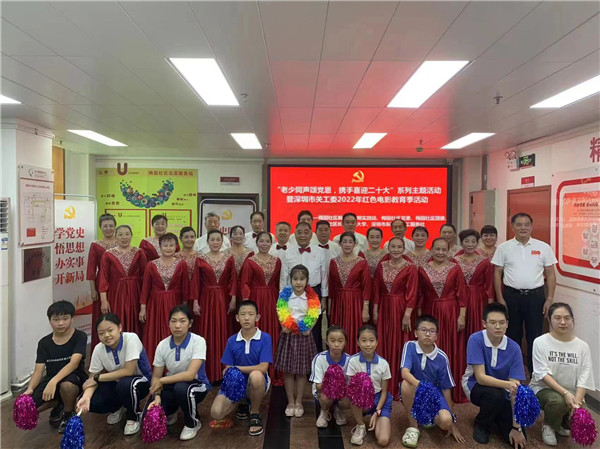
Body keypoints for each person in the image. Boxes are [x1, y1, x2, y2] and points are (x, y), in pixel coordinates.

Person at [492, 212, 557, 373]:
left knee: (535, 336)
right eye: (519, 224)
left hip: (536, 297)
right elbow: (497, 273)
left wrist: (549, 298)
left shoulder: (543, 247)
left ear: (531, 226)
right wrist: (500, 298)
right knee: (512, 335)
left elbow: (550, 274)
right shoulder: (504, 248)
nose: (523, 228)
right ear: (512, 227)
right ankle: (512, 372)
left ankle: (536, 374)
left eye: (527, 224)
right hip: (511, 296)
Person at [462, 303, 527, 448]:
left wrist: (516, 428)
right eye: (492, 323)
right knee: (495, 395)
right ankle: (481, 424)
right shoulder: (476, 339)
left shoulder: (514, 348)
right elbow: (480, 378)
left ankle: (495, 416)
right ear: (484, 323)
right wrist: (508, 385)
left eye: (502, 323)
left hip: (504, 391)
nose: (498, 327)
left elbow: (515, 389)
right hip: (474, 385)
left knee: (517, 442)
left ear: (507, 324)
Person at [530, 303, 595, 446]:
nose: (563, 322)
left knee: (583, 415)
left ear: (573, 320)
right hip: (544, 389)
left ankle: (560, 420)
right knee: (558, 401)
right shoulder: (540, 342)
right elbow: (542, 374)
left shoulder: (582, 346)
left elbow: (584, 376)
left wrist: (577, 402)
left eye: (567, 318)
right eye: (557, 318)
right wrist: (565, 393)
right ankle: (549, 425)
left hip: (571, 393)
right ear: (549, 319)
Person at [76, 314, 152, 436]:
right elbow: (92, 378)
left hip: (141, 382)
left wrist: (98, 378)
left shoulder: (131, 338)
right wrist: (86, 397)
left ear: (119, 328)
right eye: (101, 333)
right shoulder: (99, 349)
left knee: (125, 384)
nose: (106, 335)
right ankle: (117, 408)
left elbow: (128, 371)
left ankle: (133, 416)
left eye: (110, 330)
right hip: (118, 383)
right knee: (92, 400)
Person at [400, 315, 465, 448]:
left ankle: (428, 415)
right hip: (415, 388)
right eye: (423, 330)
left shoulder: (442, 357)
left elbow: (446, 388)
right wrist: (422, 386)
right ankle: (413, 427)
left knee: (446, 421)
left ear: (436, 336)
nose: (427, 334)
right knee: (405, 384)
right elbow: (404, 372)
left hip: (434, 392)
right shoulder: (409, 346)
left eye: (432, 331)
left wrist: (452, 421)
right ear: (416, 333)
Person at [147, 305, 210, 441]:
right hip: (171, 384)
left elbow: (190, 375)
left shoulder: (198, 341)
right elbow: (156, 376)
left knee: (181, 388)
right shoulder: (162, 345)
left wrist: (162, 381)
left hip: (196, 385)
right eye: (173, 321)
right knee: (149, 418)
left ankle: (192, 423)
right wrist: (156, 396)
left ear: (190, 323)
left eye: (182, 321)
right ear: (169, 323)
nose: (177, 325)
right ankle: (173, 410)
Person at [209, 301, 272, 436]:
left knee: (256, 375)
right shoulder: (232, 340)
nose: (246, 318)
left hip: (257, 381)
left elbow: (263, 368)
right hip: (237, 382)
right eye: (243, 314)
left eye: (250, 314)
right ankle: (241, 401)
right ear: (237, 317)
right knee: (216, 413)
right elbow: (227, 369)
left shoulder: (265, 338)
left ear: (257, 317)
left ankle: (254, 412)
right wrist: (230, 374)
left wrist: (236, 368)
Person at [23, 301, 87, 433]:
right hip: (51, 379)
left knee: (67, 386)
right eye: (56, 319)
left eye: (65, 319)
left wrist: (54, 381)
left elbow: (73, 363)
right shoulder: (44, 343)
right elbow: (38, 371)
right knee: (28, 408)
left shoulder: (79, 336)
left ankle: (68, 414)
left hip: (74, 378)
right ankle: (60, 403)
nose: (60, 323)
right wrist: (30, 389)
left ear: (72, 319)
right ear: (50, 321)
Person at [418, 238, 467, 403]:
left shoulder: (455, 268)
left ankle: (450, 391)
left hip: (451, 313)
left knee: (450, 347)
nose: (440, 253)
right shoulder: (423, 268)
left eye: (443, 250)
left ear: (448, 251)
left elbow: (462, 294)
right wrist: (420, 317)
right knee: (430, 347)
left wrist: (462, 315)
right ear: (431, 250)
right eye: (437, 249)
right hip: (430, 311)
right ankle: (430, 390)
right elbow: (420, 294)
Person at [372, 237, 418, 399]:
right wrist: (375, 310)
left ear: (404, 249)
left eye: (399, 247)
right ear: (388, 248)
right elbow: (376, 290)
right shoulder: (382, 265)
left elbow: (412, 293)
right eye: (393, 246)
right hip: (385, 307)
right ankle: (383, 383)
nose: (396, 249)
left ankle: (400, 384)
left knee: (400, 343)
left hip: (401, 308)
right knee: (384, 341)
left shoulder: (410, 267)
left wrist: (407, 314)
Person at [190, 230, 237, 383]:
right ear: (207, 241)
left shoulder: (229, 258)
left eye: (218, 239)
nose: (215, 242)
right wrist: (195, 301)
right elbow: (196, 281)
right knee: (206, 332)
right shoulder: (200, 259)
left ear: (222, 242)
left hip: (223, 299)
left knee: (223, 331)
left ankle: (223, 372)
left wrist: (233, 298)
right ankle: (206, 372)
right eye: (212, 239)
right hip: (206, 299)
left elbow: (233, 280)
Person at [274, 264, 320, 419]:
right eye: (295, 279)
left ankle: (299, 402)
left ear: (307, 280)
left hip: (304, 336)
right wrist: (284, 325)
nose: (298, 282)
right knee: (288, 371)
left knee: (301, 372)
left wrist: (309, 328)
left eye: (302, 279)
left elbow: (315, 314)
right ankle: (290, 402)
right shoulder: (285, 295)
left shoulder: (311, 296)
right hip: (288, 335)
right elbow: (281, 311)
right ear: (291, 280)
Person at [140, 233, 189, 364]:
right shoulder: (151, 264)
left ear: (176, 246)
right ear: (160, 247)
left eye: (171, 245)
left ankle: (175, 364)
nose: (168, 248)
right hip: (155, 304)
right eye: (165, 245)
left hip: (174, 302)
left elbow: (185, 286)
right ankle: (155, 364)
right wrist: (143, 307)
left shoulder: (181, 264)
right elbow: (145, 287)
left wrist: (185, 306)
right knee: (154, 332)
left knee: (174, 329)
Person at [280, 222, 329, 352]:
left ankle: (314, 359)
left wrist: (324, 297)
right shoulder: (288, 252)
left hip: (314, 291)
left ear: (311, 235)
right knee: (293, 324)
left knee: (314, 328)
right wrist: (282, 297)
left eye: (306, 232)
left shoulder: (319, 251)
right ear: (294, 234)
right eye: (299, 232)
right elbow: (284, 276)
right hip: (292, 293)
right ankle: (293, 357)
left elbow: (324, 275)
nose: (302, 235)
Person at [240, 231, 282, 383]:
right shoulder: (249, 261)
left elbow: (278, 283)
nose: (264, 244)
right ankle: (254, 369)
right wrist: (247, 304)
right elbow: (245, 283)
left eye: (267, 241)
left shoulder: (277, 261)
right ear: (257, 243)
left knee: (272, 331)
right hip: (256, 299)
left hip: (272, 299)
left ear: (271, 243)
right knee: (255, 331)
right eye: (261, 241)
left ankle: (272, 370)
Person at [346, 325, 392, 447]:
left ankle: (376, 417)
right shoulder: (353, 361)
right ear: (358, 342)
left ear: (377, 342)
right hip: (361, 399)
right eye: (364, 340)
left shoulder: (383, 364)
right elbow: (351, 389)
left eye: (371, 340)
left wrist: (377, 412)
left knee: (383, 440)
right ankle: (361, 425)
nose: (368, 344)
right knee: (355, 390)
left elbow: (384, 392)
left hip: (379, 401)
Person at [98, 225, 147, 334]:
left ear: (131, 236)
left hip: (135, 293)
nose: (124, 237)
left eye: (127, 234)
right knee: (116, 321)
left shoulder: (139, 252)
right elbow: (103, 278)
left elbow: (145, 278)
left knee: (136, 321)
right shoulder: (108, 254)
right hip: (116, 294)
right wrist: (103, 300)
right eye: (120, 234)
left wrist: (144, 301)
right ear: (116, 236)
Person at [328, 232, 371, 356]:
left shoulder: (362, 262)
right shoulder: (333, 262)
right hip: (338, 303)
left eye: (350, 242)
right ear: (340, 244)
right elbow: (331, 285)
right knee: (338, 332)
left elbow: (366, 287)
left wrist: (365, 308)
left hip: (355, 303)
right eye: (344, 242)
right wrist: (330, 307)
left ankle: (354, 360)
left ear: (355, 244)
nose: (347, 245)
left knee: (354, 330)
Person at [454, 229, 494, 338]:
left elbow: (489, 285)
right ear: (461, 243)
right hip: (458, 299)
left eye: (473, 241)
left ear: (477, 243)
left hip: (478, 299)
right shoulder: (454, 261)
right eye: (466, 241)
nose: (470, 244)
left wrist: (489, 307)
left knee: (477, 328)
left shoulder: (484, 261)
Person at [310, 325, 351, 428]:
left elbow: (351, 385)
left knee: (350, 399)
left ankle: (339, 409)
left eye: (340, 341)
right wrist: (331, 382)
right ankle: (324, 411)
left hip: (342, 392)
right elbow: (318, 385)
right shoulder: (319, 358)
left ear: (345, 342)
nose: (336, 344)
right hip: (324, 391)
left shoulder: (350, 360)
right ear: (327, 341)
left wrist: (340, 385)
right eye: (332, 341)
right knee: (324, 397)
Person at [87, 213, 118, 348]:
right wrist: (93, 289)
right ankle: (101, 348)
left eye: (111, 226)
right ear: (100, 227)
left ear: (115, 226)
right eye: (105, 226)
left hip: (118, 284)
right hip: (101, 284)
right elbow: (91, 269)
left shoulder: (121, 242)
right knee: (102, 314)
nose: (108, 229)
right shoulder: (96, 245)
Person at [227, 225, 254, 334]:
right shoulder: (225, 253)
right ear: (230, 237)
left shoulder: (250, 253)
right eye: (235, 233)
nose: (238, 236)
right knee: (230, 318)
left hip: (246, 289)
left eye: (240, 234)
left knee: (245, 316)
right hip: (229, 290)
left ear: (244, 237)